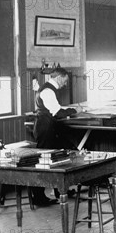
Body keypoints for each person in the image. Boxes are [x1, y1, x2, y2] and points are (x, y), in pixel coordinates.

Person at [31, 67, 77, 206]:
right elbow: (57, 113)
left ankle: (61, 190)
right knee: (43, 163)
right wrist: (75, 110)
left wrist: (67, 109)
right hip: (45, 129)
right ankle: (38, 197)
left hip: (50, 128)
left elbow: (56, 109)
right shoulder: (48, 91)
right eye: (65, 80)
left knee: (59, 158)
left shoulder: (49, 89)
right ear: (59, 77)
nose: (66, 83)